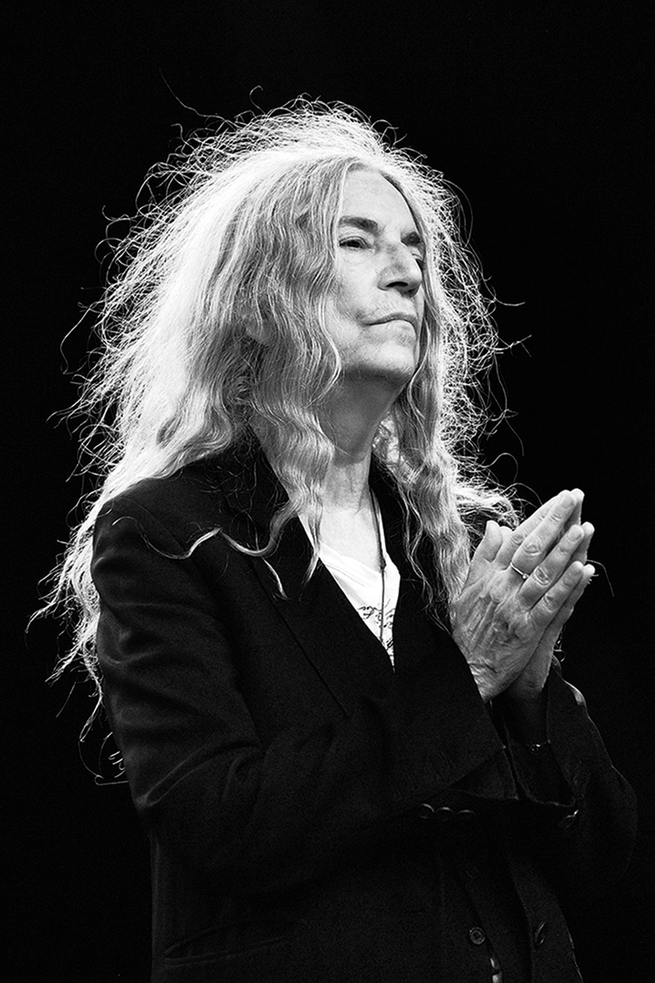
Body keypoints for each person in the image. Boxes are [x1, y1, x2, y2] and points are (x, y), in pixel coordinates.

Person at [47, 100, 636, 982]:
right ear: (255, 303)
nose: (405, 273)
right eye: (356, 242)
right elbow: (216, 817)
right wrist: (468, 675)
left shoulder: (457, 543)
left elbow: (603, 867)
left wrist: (530, 693)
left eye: (414, 249)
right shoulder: (167, 532)